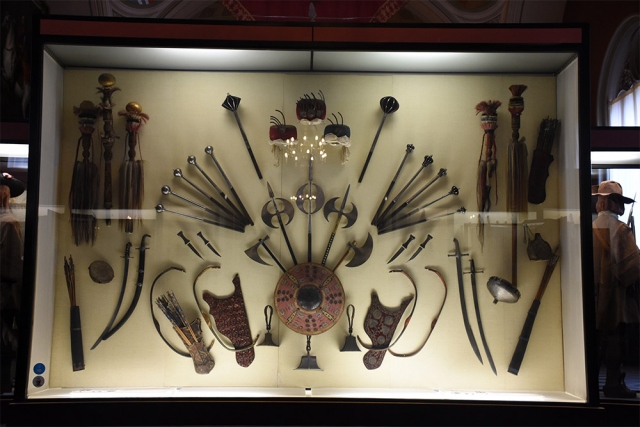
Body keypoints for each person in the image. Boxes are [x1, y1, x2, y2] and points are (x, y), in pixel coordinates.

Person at [592, 180, 640, 398]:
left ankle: (591, 385)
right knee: (616, 339)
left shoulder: (589, 228)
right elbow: (633, 268)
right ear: (614, 202)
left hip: (594, 296)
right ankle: (613, 384)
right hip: (616, 297)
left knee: (595, 340)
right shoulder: (621, 229)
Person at [0, 180, 23, 394]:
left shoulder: (8, 223)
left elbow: (12, 270)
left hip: (3, 298)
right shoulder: (7, 222)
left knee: (4, 349)